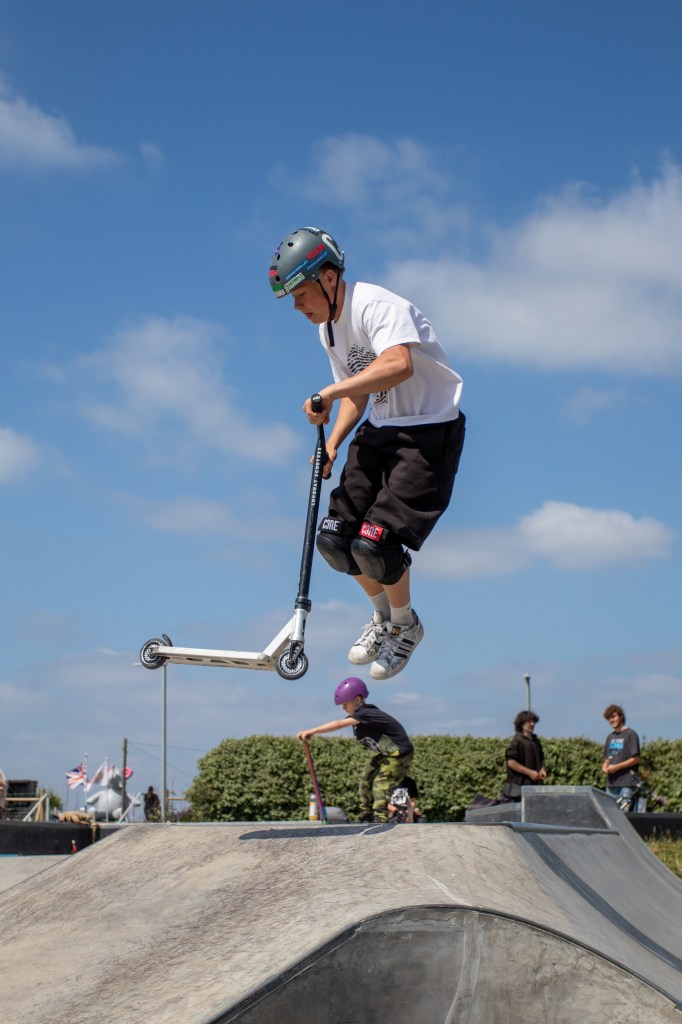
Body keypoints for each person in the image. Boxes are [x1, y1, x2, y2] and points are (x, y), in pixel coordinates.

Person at [269, 227, 465, 680]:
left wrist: (330, 392)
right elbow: (358, 392)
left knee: (375, 543)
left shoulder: (376, 305)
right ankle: (381, 619)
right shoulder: (328, 330)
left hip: (427, 432)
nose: (297, 307)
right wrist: (333, 443)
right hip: (380, 429)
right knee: (335, 539)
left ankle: (405, 625)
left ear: (329, 278)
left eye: (300, 295)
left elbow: (398, 365)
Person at [297, 676, 414, 824]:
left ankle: (381, 818)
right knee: (366, 778)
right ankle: (367, 814)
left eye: (345, 704)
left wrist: (313, 731)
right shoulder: (360, 719)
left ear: (358, 700)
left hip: (400, 754)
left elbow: (339, 724)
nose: (343, 708)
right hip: (388, 754)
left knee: (381, 783)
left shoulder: (366, 713)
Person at [602, 704, 641, 811]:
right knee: (611, 815)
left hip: (627, 784)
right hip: (611, 785)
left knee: (626, 816)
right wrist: (604, 766)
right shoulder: (610, 737)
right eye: (609, 718)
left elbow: (636, 759)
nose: (611, 720)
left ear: (621, 717)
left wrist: (617, 767)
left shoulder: (631, 734)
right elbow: (607, 759)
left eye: (613, 716)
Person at [503, 710, 547, 801]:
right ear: (521, 723)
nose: (532, 724)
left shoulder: (536, 741)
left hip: (535, 788)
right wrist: (530, 772)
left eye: (533, 721)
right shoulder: (517, 741)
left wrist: (542, 769)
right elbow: (511, 762)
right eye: (529, 721)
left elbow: (541, 758)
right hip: (518, 790)